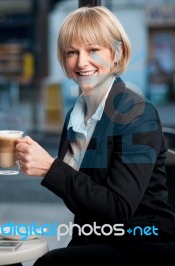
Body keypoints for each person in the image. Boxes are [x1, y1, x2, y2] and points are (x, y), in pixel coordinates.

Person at [15, 6, 175, 263]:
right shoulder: (75, 117)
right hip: (94, 238)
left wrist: (50, 168)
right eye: (72, 52)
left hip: (143, 243)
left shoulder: (137, 112)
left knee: (49, 263)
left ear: (116, 53)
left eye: (93, 50)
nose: (81, 62)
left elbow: (118, 208)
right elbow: (83, 199)